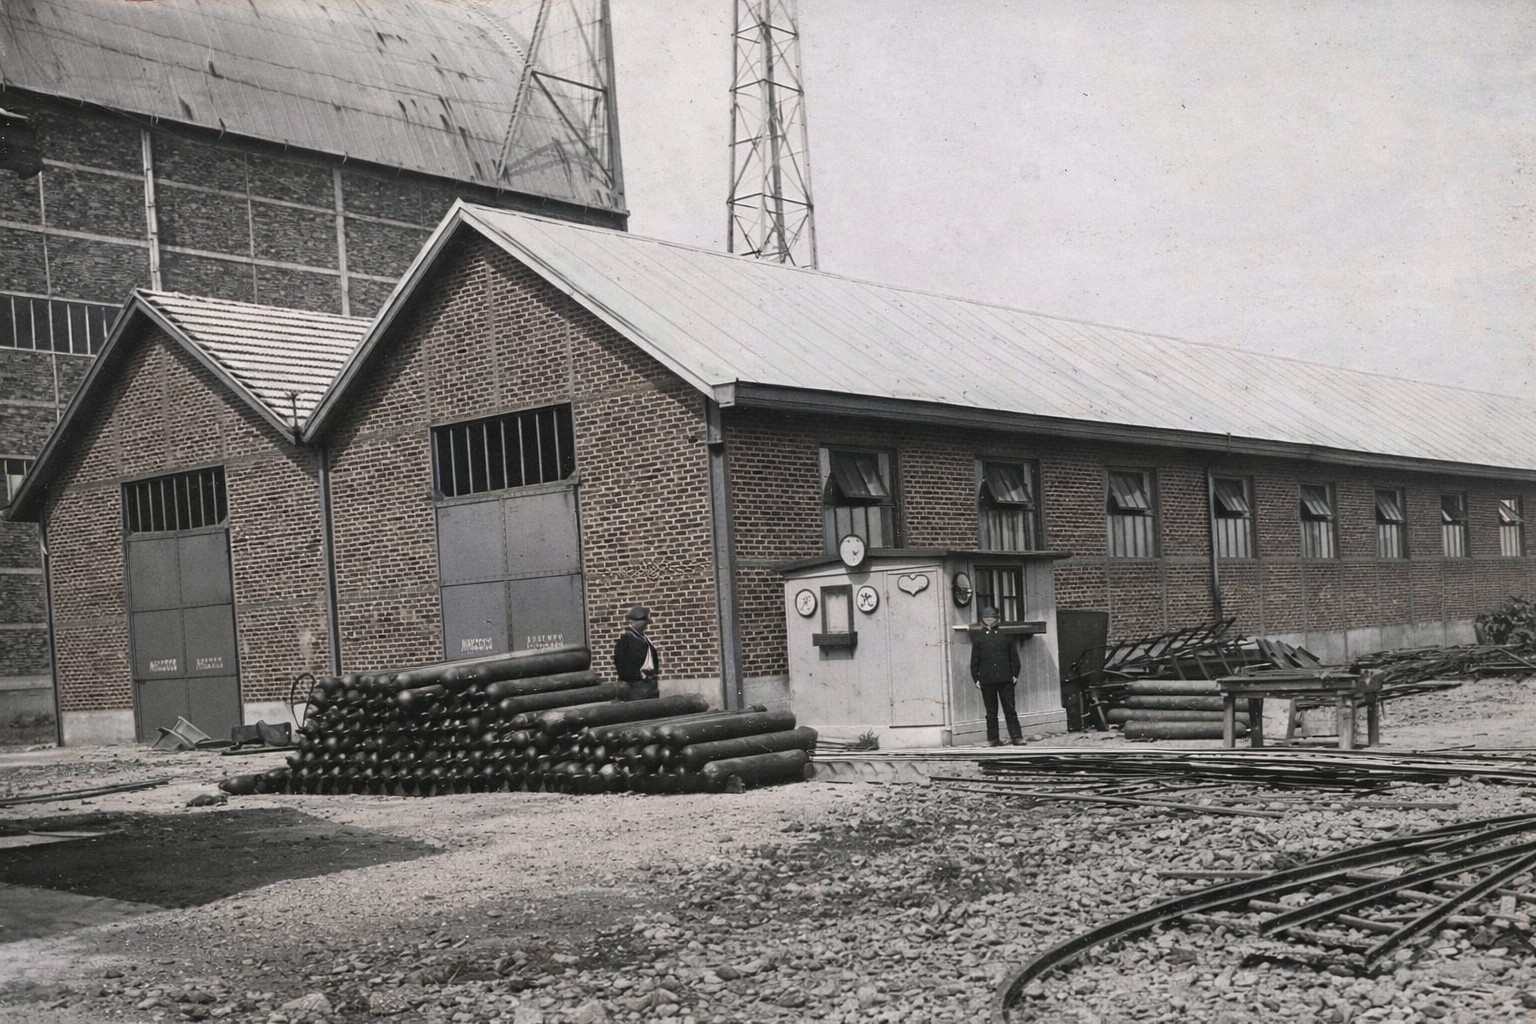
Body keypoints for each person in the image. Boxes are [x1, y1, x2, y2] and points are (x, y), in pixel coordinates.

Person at [970, 606, 1023, 746]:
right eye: (986, 617)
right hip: (987, 681)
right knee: (991, 712)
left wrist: (1015, 675)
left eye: (992, 617)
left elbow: (1014, 659)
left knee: (1010, 710)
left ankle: (1017, 737)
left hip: (1006, 680)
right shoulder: (978, 638)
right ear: (982, 620)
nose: (989, 620)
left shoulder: (1005, 636)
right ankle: (993, 739)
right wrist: (976, 678)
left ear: (997, 619)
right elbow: (974, 661)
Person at [612, 605, 660, 701]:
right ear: (632, 621)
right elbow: (621, 664)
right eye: (643, 620)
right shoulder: (625, 641)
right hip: (635, 687)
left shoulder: (645, 639)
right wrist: (637, 676)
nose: (646, 623)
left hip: (649, 685)